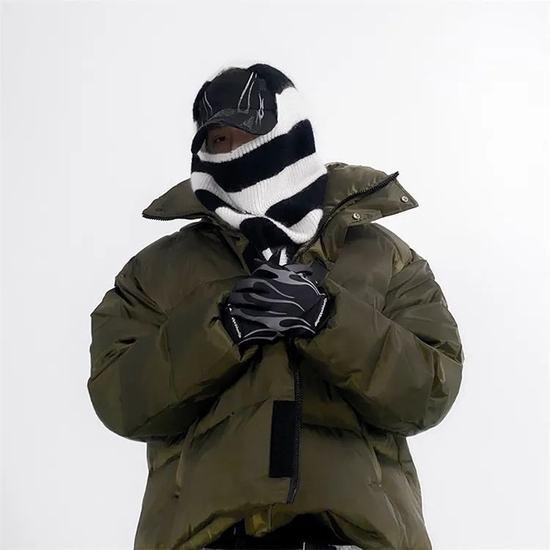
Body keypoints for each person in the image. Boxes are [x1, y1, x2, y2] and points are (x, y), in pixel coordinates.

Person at [87, 63, 465, 550]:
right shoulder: (157, 269)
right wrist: (223, 329)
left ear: (289, 133)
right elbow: (121, 400)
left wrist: (328, 320)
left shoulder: (385, 258)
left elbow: (429, 390)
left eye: (245, 134)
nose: (229, 151)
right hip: (207, 537)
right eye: (216, 139)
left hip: (354, 535)